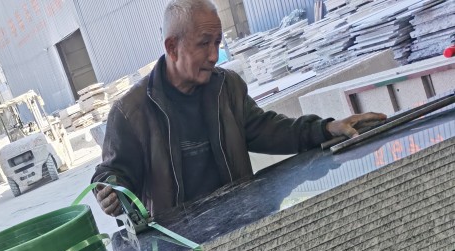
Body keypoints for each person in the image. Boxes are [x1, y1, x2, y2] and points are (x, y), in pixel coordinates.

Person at [92, 0, 386, 218]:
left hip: (242, 224)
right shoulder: (131, 111)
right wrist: (110, 191)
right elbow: (111, 174)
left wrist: (326, 128)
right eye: (204, 44)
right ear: (171, 47)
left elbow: (269, 129)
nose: (213, 55)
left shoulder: (227, 87)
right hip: (180, 250)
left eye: (217, 43)